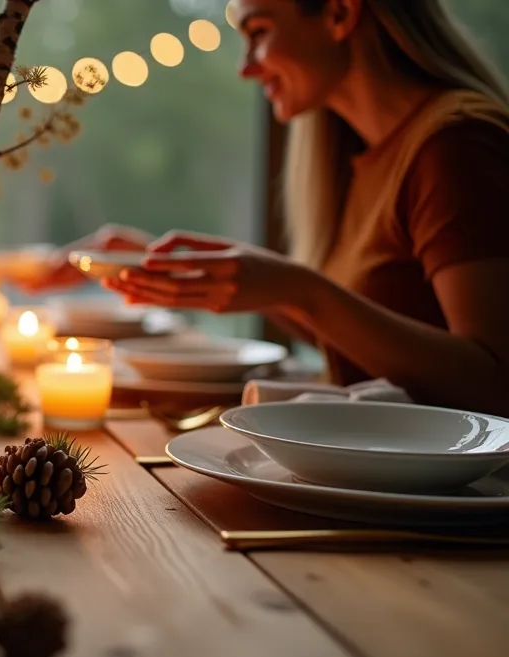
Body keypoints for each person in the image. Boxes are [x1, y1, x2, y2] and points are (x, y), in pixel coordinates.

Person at [100, 0, 509, 416]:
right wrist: (192, 271)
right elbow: (371, 347)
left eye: (258, 33)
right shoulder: (361, 153)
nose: (245, 68)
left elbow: (494, 385)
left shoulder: (457, 147)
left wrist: (304, 290)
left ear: (339, 14)